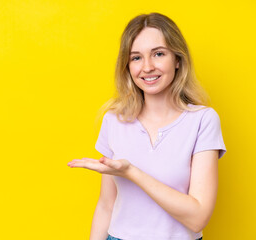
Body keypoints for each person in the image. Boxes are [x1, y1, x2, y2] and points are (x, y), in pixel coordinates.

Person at [67, 12, 226, 240]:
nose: (147, 67)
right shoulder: (114, 120)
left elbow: (198, 216)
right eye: (136, 58)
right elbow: (106, 205)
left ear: (178, 60)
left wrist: (131, 172)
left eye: (158, 54)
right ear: (127, 66)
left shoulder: (203, 120)